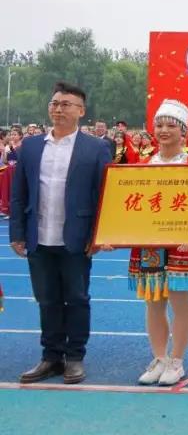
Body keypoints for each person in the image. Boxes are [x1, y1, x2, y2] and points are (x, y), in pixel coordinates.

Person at [10, 82, 112, 384]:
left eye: (66, 104)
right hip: (38, 236)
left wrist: (99, 235)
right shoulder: (30, 146)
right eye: (54, 104)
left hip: (77, 239)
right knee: (47, 299)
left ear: (81, 111)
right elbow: (19, 193)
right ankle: (51, 357)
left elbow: (104, 194)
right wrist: (17, 232)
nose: (58, 109)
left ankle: (75, 357)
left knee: (77, 299)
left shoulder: (96, 148)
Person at [112, 100, 188, 386]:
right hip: (149, 244)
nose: (163, 130)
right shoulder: (143, 165)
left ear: (183, 131)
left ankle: (177, 360)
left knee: (180, 301)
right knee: (153, 301)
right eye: (159, 125)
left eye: (170, 126)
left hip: (182, 243)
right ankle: (159, 358)